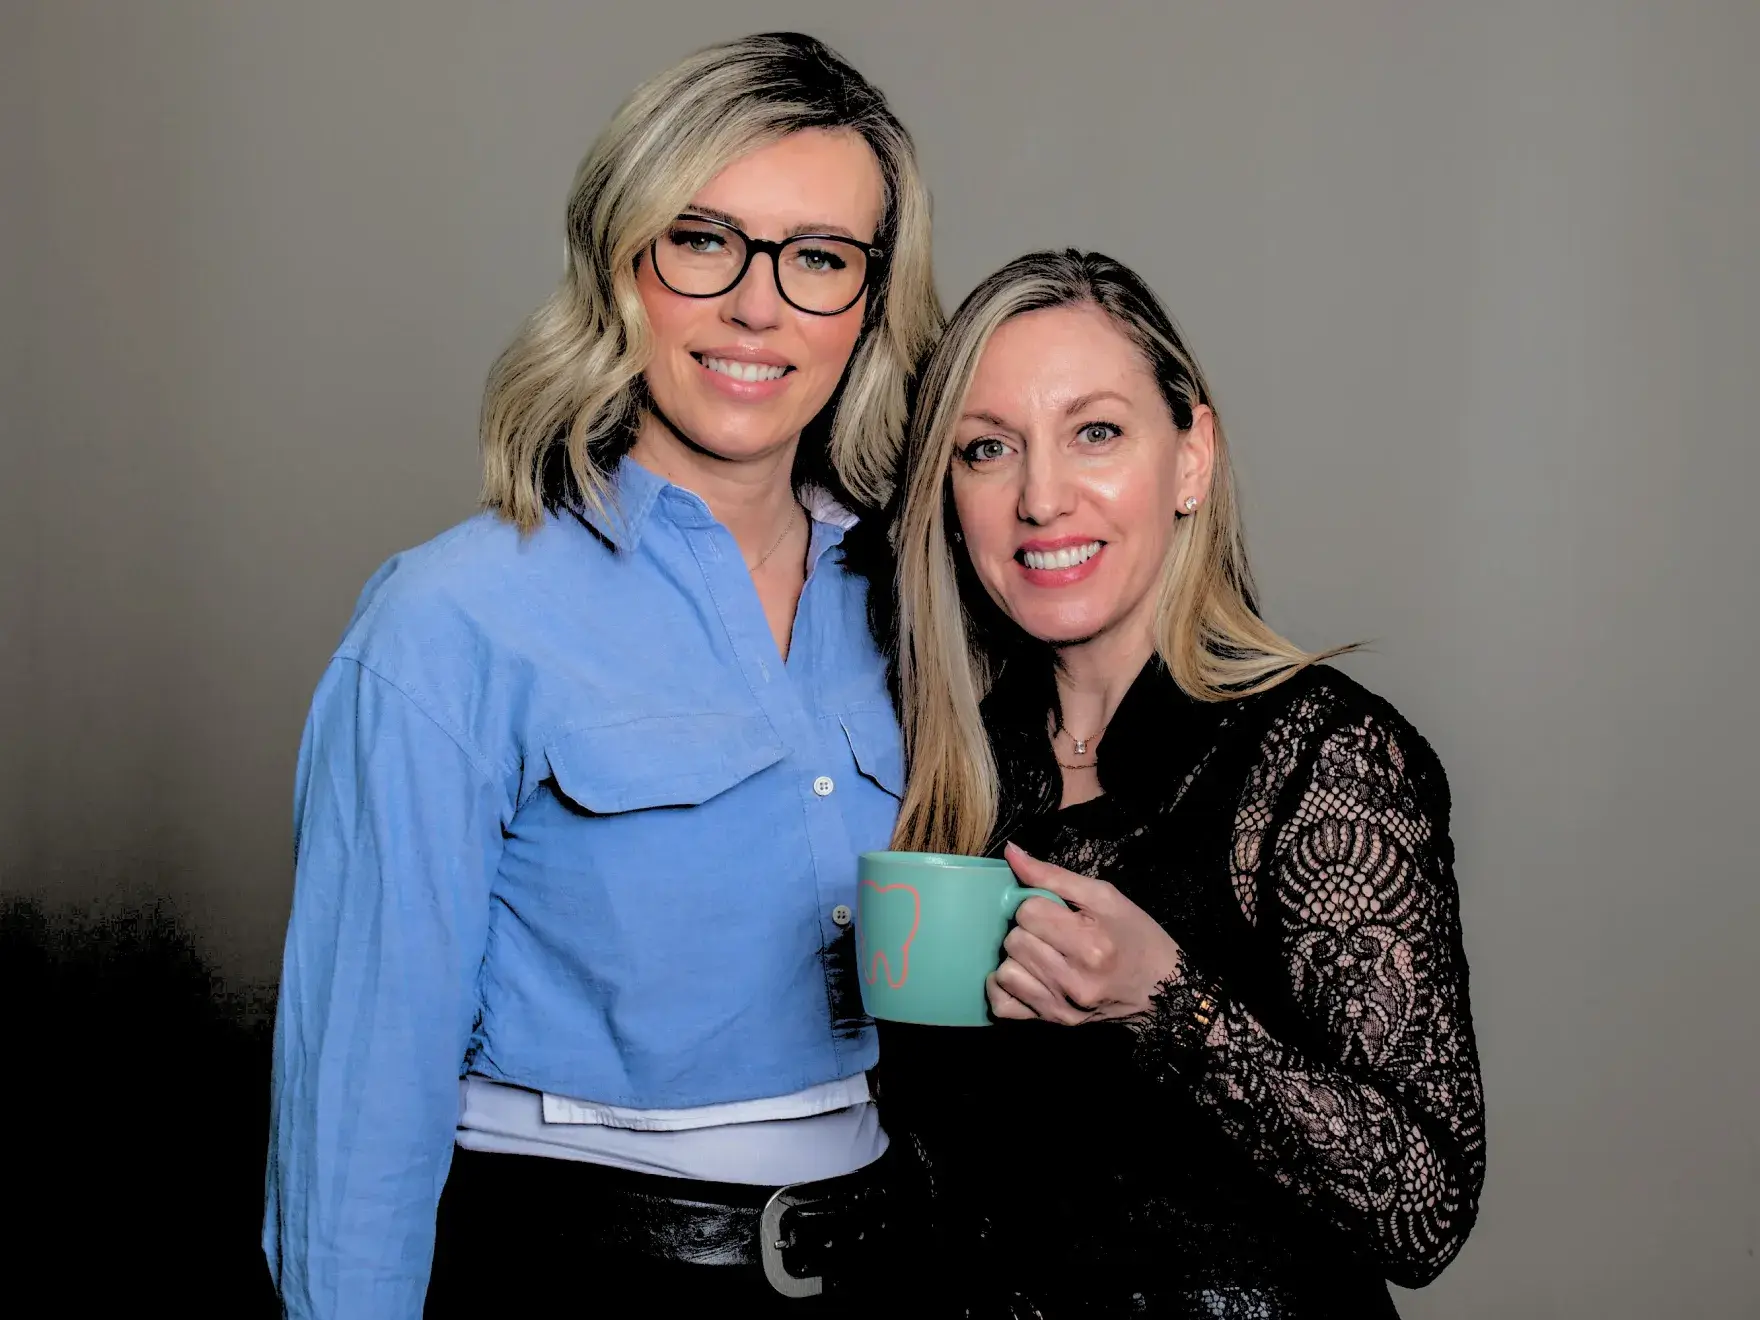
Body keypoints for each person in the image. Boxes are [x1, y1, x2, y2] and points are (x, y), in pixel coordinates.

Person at [263, 32, 941, 1318]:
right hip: (577, 1273)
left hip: (881, 1266)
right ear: (621, 262)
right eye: (703, 239)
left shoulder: (912, 605)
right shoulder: (453, 617)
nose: (757, 307)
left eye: (817, 259)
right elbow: (358, 1087)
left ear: (866, 303)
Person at [876, 249, 1485, 1317]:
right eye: (986, 450)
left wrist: (1169, 1000)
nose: (1040, 497)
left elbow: (1422, 1210)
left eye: (1095, 433)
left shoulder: (1319, 758)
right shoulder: (939, 767)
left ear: (1189, 460)